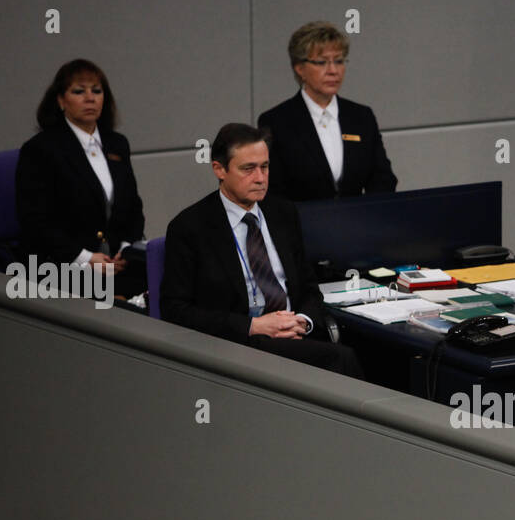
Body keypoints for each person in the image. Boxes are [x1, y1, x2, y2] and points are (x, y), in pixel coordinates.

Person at [161, 123, 362, 377]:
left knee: (372, 351)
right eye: (248, 169)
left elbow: (309, 288)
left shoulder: (283, 213)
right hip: (238, 344)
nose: (260, 178)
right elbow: (175, 310)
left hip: (295, 334)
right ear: (219, 169)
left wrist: (302, 321)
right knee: (341, 360)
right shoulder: (191, 227)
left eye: (265, 167)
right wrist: (253, 326)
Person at [16, 59, 147, 302]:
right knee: (113, 304)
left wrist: (125, 250)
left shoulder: (117, 144)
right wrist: (86, 258)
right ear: (60, 100)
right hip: (60, 263)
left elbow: (133, 208)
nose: (90, 98)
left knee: (167, 284)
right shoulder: (41, 149)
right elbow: (35, 222)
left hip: (117, 262)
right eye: (79, 91)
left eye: (96, 91)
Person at [257, 21, 397, 202]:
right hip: (302, 226)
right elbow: (272, 190)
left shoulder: (361, 116)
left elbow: (383, 179)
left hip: (359, 224)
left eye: (339, 61)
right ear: (300, 68)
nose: (333, 71)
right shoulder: (276, 121)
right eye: (322, 62)